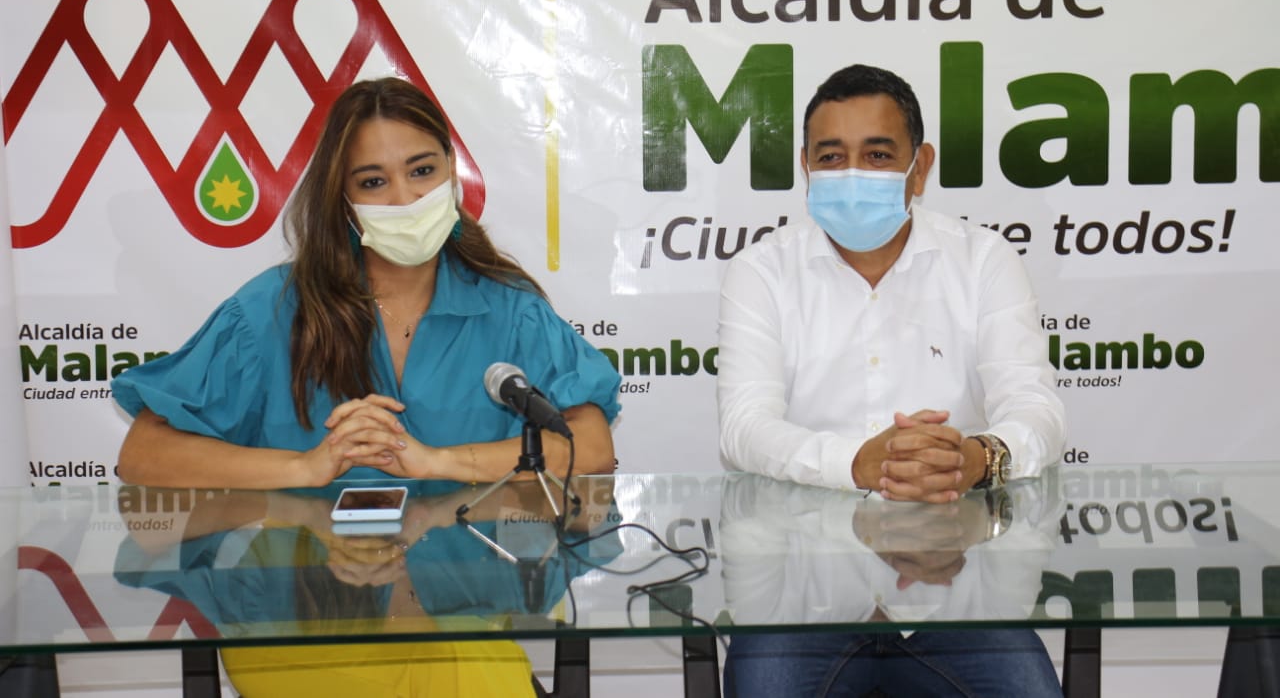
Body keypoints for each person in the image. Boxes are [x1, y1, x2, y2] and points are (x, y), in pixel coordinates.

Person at [112, 76, 621, 697]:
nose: (405, 199)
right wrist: (305, 468)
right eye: (373, 182)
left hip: (460, 621)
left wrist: (436, 462)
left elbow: (590, 445)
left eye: (422, 170)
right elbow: (144, 454)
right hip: (302, 627)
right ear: (343, 201)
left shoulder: (509, 308)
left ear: (454, 176)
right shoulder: (271, 310)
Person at [716, 63, 1065, 697]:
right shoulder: (761, 271)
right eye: (831, 156)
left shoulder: (983, 261)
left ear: (919, 167)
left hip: (959, 593)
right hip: (801, 601)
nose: (852, 173)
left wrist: (974, 458)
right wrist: (858, 462)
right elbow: (744, 428)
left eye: (878, 155)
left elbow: (1036, 410)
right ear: (805, 167)